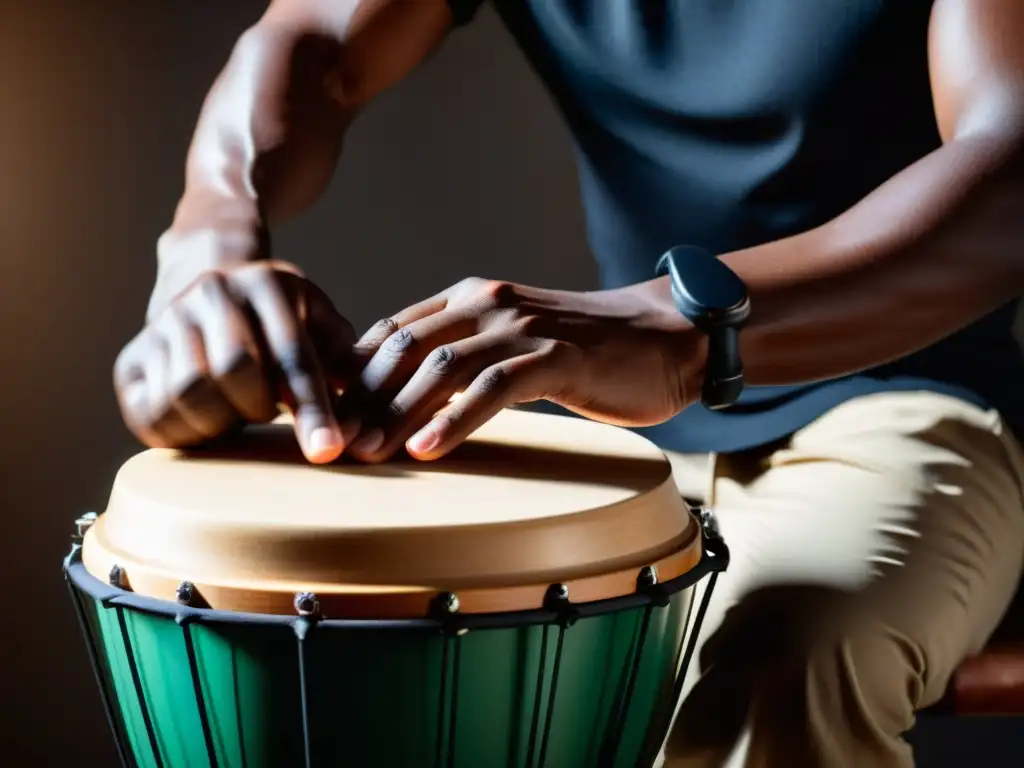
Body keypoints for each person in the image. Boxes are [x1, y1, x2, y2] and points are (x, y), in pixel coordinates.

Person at [112, 0, 1024, 765]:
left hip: (904, 400)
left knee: (794, 653)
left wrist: (677, 330)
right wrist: (206, 251)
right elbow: (312, 43)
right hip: (622, 436)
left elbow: (1008, 168)